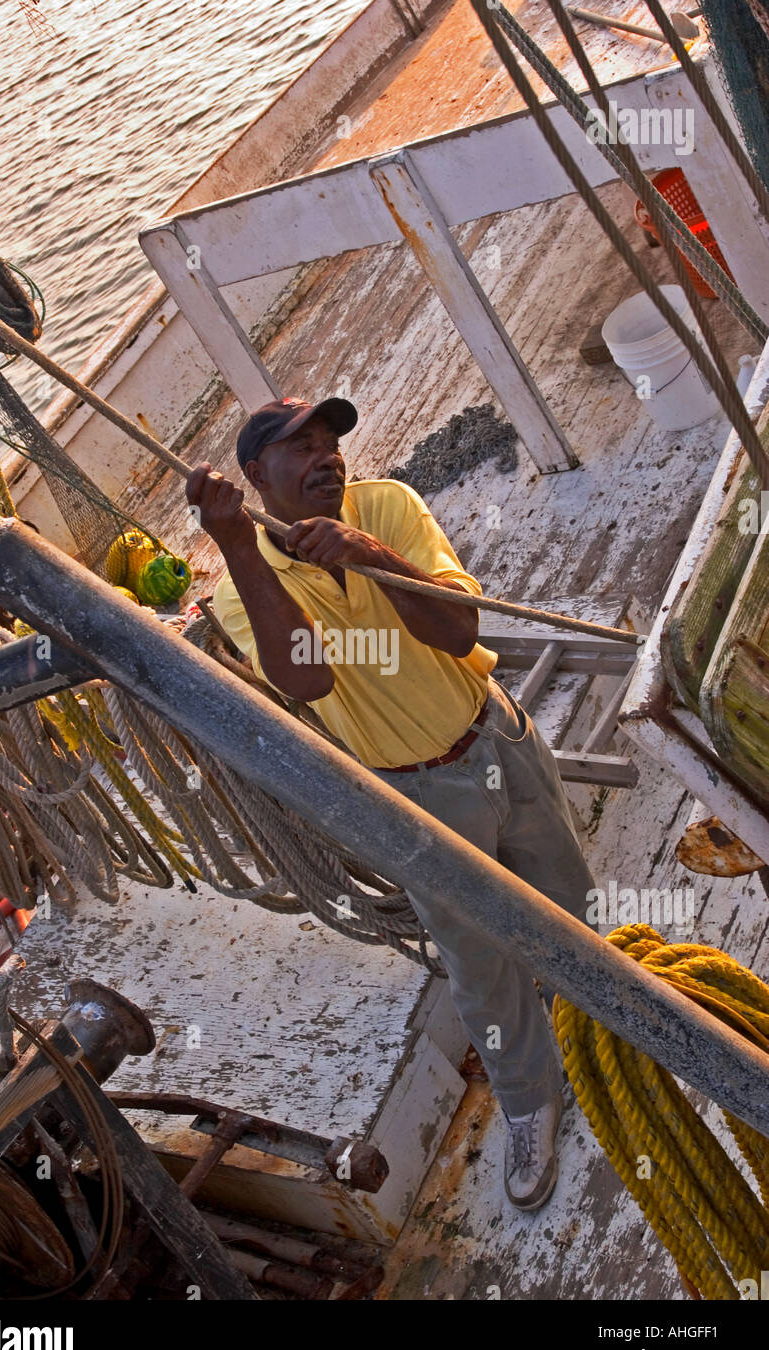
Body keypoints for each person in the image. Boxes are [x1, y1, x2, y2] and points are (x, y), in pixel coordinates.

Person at [186, 395, 596, 1212]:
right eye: (298, 447)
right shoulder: (242, 576)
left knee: (569, 900)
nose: (324, 455)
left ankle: (615, 1028)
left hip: (496, 736)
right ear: (255, 476)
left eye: (329, 440)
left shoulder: (385, 505)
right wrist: (238, 547)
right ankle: (527, 1102)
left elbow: (455, 627)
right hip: (417, 798)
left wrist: (369, 552)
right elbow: (305, 679)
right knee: (478, 964)